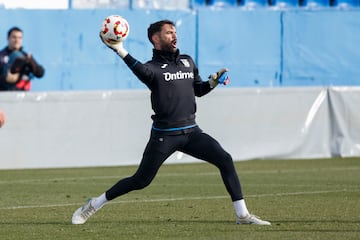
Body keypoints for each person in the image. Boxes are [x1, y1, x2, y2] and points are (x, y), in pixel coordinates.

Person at [71, 20, 270, 225]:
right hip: (164, 136)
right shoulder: (152, 69)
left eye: (174, 32)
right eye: (168, 33)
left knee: (225, 159)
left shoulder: (187, 61)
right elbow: (141, 71)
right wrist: (120, 50)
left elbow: (198, 90)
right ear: (156, 39)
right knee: (141, 181)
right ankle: (94, 204)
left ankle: (242, 216)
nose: (174, 35)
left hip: (192, 133)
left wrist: (213, 81)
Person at [0, 26, 45, 91]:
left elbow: (40, 73)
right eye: (14, 37)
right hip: (5, 96)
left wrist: (31, 62)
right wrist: (5, 79)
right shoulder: (1, 56)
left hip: (23, 97)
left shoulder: (26, 56)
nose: (17, 40)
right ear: (8, 38)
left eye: (19, 38)